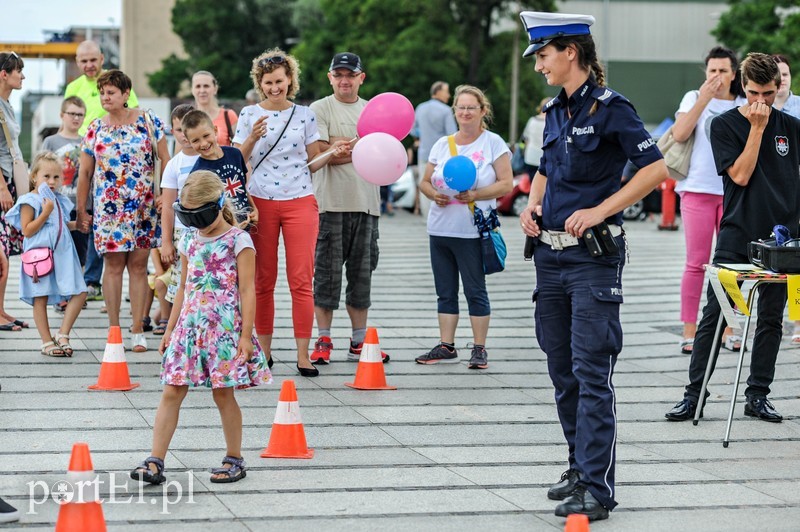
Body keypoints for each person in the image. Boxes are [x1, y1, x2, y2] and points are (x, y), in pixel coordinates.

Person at [518, 12, 668, 521]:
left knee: (590, 371)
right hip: (550, 259)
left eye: (542, 55)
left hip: (592, 261)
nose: (539, 65)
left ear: (570, 53)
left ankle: (598, 490)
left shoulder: (611, 109)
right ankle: (579, 469)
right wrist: (532, 204)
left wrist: (602, 209)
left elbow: (655, 169)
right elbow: (546, 168)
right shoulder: (553, 111)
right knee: (563, 372)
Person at [665, 52, 800, 425]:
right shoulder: (723, 125)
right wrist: (756, 129)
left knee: (771, 318)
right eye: (755, 92)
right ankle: (694, 395)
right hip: (738, 231)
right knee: (715, 313)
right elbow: (739, 176)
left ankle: (758, 395)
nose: (761, 101)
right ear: (743, 87)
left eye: (769, 93)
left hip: (782, 238)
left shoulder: (791, 126)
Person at [130, 170, 270, 486]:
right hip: (189, 330)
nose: (197, 223)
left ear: (219, 204)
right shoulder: (189, 238)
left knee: (223, 396)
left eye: (201, 215)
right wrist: (170, 329)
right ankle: (155, 460)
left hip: (223, 332)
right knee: (171, 391)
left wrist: (246, 336)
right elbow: (183, 287)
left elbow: (248, 291)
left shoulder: (239, 240)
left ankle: (234, 457)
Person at [232, 48, 348, 378]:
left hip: (300, 200)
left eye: (280, 81)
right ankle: (263, 351)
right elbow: (237, 160)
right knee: (262, 281)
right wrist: (252, 137)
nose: (274, 88)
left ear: (290, 80)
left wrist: (333, 152)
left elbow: (313, 160)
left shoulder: (305, 114)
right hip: (260, 203)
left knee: (301, 281)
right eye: (268, 82)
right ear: (260, 82)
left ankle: (302, 354)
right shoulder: (248, 114)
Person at [415, 85, 512, 369]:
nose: (465, 112)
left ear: (483, 111)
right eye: (461, 107)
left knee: (475, 290)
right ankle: (446, 345)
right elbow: (425, 181)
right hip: (440, 229)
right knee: (445, 291)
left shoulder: (493, 143)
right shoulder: (442, 144)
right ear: (454, 111)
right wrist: (434, 194)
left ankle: (479, 348)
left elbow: (507, 183)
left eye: (471, 107)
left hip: (472, 231)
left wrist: (476, 195)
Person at [76, 69, 170, 353]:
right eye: (102, 93)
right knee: (113, 267)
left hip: (143, 206)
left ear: (126, 94)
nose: (106, 97)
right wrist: (82, 210)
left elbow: (166, 159)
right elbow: (84, 174)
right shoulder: (95, 128)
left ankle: (138, 329)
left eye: (111, 92)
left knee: (139, 267)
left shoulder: (149, 120)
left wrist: (164, 194)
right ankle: (114, 329)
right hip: (109, 209)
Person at [309, 52, 390, 365]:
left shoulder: (373, 110)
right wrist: (358, 147)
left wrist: (340, 146)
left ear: (361, 77)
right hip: (330, 204)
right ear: (330, 77)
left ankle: (359, 341)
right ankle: (324, 338)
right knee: (326, 276)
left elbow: (382, 154)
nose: (344, 80)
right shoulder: (320, 108)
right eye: (338, 74)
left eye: (350, 74)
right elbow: (316, 155)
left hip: (367, 205)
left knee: (362, 275)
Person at [670, 47, 746, 356]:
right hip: (698, 189)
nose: (716, 77)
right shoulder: (692, 97)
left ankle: (730, 327)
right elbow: (679, 133)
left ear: (734, 74)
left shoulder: (744, 102)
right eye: (712, 70)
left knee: (730, 264)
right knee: (695, 263)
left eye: (723, 71)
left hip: (733, 193)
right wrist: (704, 98)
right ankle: (690, 331)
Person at [6, 152, 87, 356]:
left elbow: (58, 226)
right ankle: (46, 341)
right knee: (40, 297)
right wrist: (45, 212)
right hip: (40, 256)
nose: (51, 182)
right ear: (34, 177)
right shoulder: (30, 200)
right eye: (46, 176)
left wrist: (75, 225)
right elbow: (27, 230)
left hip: (63, 254)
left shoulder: (57, 200)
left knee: (80, 291)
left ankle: (63, 334)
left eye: (56, 177)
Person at [183, 109, 255, 226]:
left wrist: (254, 209)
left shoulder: (235, 154)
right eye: (196, 140)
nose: (204, 143)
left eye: (206, 136)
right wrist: (233, 226)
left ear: (215, 130)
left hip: (247, 224)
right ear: (188, 142)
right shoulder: (197, 173)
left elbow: (241, 186)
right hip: (221, 232)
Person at [160, 103, 198, 320]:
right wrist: (166, 242)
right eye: (178, 130)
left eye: (188, 128)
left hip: (210, 232)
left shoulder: (212, 157)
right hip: (182, 233)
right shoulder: (174, 165)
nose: (184, 135)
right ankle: (178, 329)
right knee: (180, 285)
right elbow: (168, 206)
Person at [42, 96, 89, 271]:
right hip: (56, 207)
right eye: (72, 114)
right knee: (56, 255)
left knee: (80, 257)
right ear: (62, 115)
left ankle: (78, 294)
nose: (76, 118)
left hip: (80, 206)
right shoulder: (51, 141)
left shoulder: (87, 142)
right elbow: (40, 173)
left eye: (80, 115)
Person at [772, 55, 800, 344]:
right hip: (770, 196)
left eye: (786, 74)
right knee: (772, 261)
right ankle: (771, 321)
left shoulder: (798, 107)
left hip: (796, 191)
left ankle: (797, 320)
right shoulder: (759, 110)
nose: (782, 80)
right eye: (777, 75)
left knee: (796, 260)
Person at [0, 51, 28, 331]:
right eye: (18, 71)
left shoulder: (7, 104)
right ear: (4, 74)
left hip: (9, 181)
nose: (23, 76)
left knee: (4, 250)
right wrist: (2, 187)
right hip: (0, 184)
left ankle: (1, 309)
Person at [65, 41, 138, 136]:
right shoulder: (72, 87)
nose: (89, 65)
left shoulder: (118, 81)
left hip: (111, 141)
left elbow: (135, 115)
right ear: (77, 62)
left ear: (102, 59)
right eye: (84, 61)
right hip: (82, 143)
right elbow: (65, 122)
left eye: (93, 60)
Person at [413, 81, 457, 216]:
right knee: (443, 186)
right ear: (438, 92)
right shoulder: (446, 110)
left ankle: (427, 217)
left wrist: (424, 135)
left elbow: (413, 130)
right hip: (442, 156)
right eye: (447, 91)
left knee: (424, 184)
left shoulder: (420, 108)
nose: (449, 95)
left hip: (424, 154)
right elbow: (453, 135)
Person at [191, 70, 238, 147]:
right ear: (192, 90)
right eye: (198, 86)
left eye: (206, 86)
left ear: (215, 89)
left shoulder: (229, 116)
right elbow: (179, 155)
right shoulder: (187, 118)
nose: (202, 90)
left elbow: (239, 149)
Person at [521, 96, 550, 176]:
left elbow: (524, 139)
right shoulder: (551, 123)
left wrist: (523, 151)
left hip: (530, 157)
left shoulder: (532, 121)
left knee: (531, 184)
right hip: (545, 159)